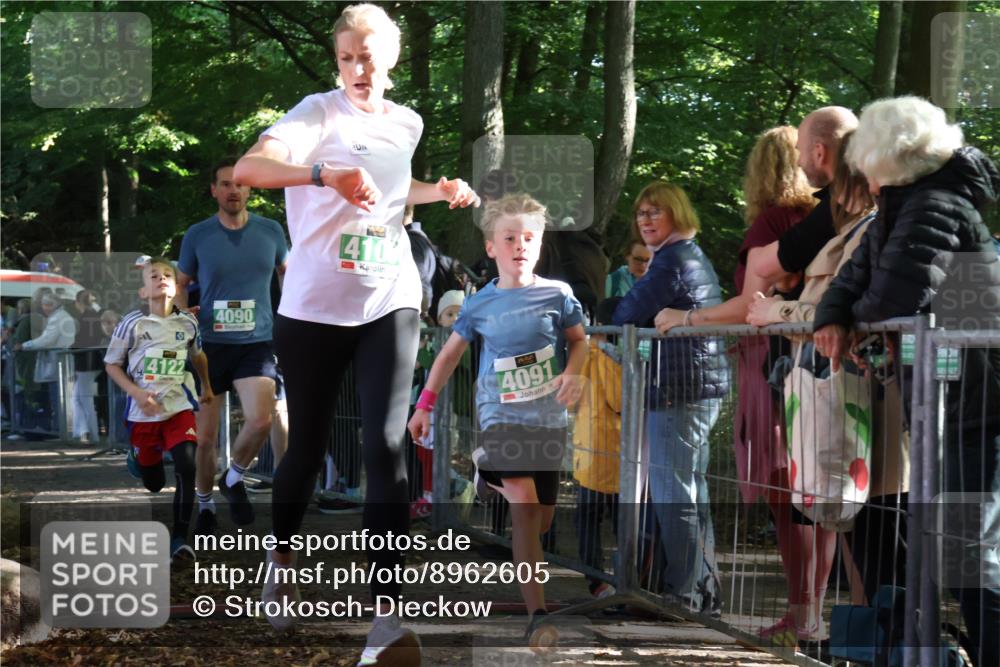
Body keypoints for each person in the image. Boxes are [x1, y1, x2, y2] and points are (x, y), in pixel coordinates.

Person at [232, 4, 479, 663]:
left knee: (386, 447)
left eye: (369, 55)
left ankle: (386, 618)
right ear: (336, 62)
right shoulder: (316, 114)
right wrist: (323, 173)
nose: (359, 69)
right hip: (313, 307)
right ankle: (281, 560)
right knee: (307, 447)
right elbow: (249, 171)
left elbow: (392, 195)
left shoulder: (408, 122)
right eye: (347, 58)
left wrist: (438, 189)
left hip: (389, 299)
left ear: (391, 56)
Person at [814, 96, 1000, 667]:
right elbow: (856, 278)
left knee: (970, 550)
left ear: (884, 156)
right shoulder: (906, 205)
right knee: (961, 547)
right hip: (954, 398)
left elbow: (894, 294)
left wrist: (856, 320)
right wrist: (833, 316)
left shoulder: (933, 206)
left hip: (979, 401)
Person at [408, 193, 586, 647]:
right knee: (525, 506)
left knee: (541, 521)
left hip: (545, 421)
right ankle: (537, 615)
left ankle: (491, 476)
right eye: (510, 238)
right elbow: (449, 356)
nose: (520, 245)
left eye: (529, 237)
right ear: (492, 247)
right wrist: (424, 404)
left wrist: (573, 371)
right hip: (499, 413)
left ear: (540, 243)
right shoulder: (479, 304)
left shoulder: (558, 294)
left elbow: (578, 341)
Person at [611, 181, 729, 616]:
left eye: (654, 212)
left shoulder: (674, 259)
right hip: (693, 386)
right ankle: (699, 592)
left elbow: (627, 312)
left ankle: (685, 596)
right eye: (640, 213)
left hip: (682, 389)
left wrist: (613, 306)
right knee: (688, 492)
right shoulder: (683, 255)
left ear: (676, 213)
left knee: (673, 492)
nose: (644, 220)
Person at [176, 157, 289, 536]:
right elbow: (180, 281)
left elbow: (288, 276)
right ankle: (205, 505)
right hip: (209, 347)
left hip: (257, 342)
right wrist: (181, 316)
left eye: (239, 184)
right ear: (214, 190)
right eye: (225, 184)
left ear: (250, 188)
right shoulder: (198, 234)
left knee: (260, 419)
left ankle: (234, 477)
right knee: (205, 439)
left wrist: (292, 318)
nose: (233, 190)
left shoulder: (271, 231)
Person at [103, 258, 213, 563]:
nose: (162, 278)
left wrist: (206, 386)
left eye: (168, 275)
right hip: (144, 415)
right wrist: (137, 392)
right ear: (143, 291)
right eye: (154, 275)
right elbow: (111, 364)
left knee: (187, 464)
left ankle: (179, 540)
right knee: (153, 483)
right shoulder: (133, 323)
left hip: (178, 406)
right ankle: (139, 456)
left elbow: (198, 355)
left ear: (177, 286)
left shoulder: (188, 323)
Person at [748, 107, 859, 287]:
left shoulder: (844, 202)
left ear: (819, 152)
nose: (798, 163)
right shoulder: (870, 195)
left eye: (800, 151)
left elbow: (763, 268)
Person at [572, 297, 622, 600]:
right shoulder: (610, 358)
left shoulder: (583, 354)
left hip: (585, 451)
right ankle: (622, 579)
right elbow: (620, 401)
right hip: (612, 453)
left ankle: (596, 581)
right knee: (620, 522)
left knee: (587, 521)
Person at [14, 291, 77, 433]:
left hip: (57, 362)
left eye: (46, 305)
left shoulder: (57, 318)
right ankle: (62, 428)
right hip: (58, 361)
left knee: (58, 397)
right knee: (59, 397)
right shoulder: (61, 316)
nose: (44, 308)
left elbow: (47, 340)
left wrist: (25, 345)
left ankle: (60, 429)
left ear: (51, 305)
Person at [69, 289, 103, 442]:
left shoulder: (85, 318)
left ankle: (91, 433)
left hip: (86, 363)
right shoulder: (95, 317)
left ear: (78, 303)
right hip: (92, 362)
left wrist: (71, 348)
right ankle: (84, 431)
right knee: (78, 398)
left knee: (84, 399)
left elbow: (82, 341)